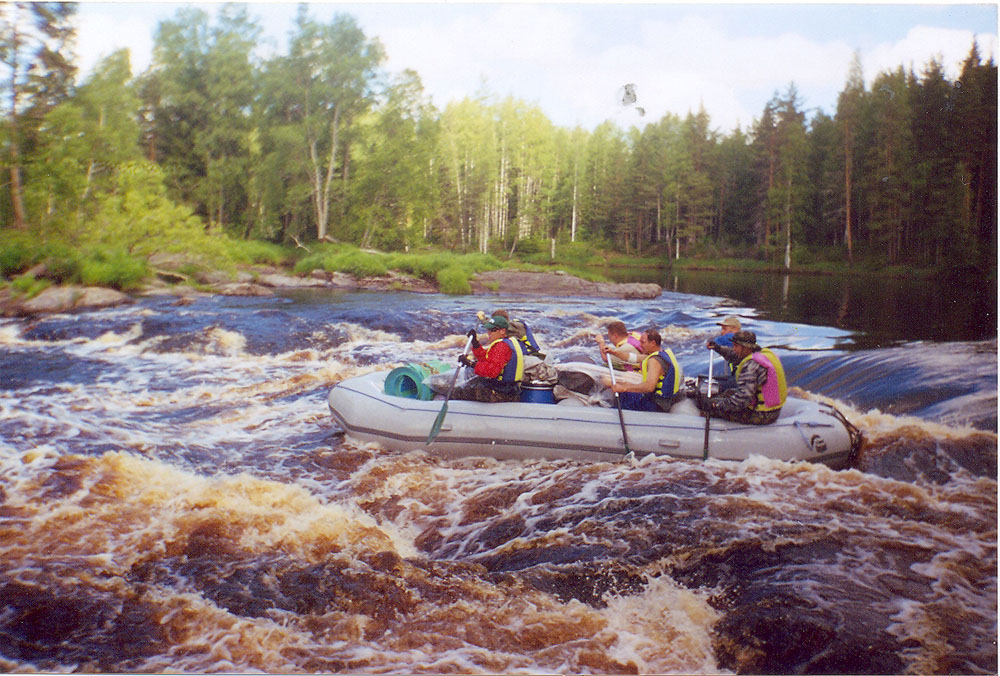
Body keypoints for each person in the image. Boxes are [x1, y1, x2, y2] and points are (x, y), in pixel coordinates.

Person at [694, 330, 787, 425]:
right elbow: (734, 355)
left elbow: (742, 400)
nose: (734, 348)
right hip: (772, 410)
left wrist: (715, 404)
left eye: (736, 346)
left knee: (714, 409)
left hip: (762, 414)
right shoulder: (763, 354)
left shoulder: (751, 366)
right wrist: (717, 348)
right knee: (728, 392)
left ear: (745, 347)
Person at [452, 315, 525, 403]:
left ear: (502, 331)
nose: (489, 333)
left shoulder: (501, 347)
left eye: (493, 330)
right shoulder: (507, 342)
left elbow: (491, 372)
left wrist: (471, 364)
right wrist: (475, 342)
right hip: (507, 389)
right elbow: (485, 358)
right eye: (488, 330)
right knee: (471, 382)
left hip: (500, 393)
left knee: (456, 392)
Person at [608, 329, 683, 412]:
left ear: (653, 343)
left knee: (621, 400)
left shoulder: (655, 361)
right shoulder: (661, 353)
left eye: (643, 342)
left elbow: (649, 387)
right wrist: (613, 352)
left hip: (655, 404)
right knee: (625, 395)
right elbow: (632, 358)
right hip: (660, 399)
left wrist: (624, 388)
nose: (640, 345)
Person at [706, 315, 742, 387]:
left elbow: (712, 343)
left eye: (725, 329)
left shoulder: (731, 336)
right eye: (722, 329)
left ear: (735, 329)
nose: (722, 332)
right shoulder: (745, 340)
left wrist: (711, 343)